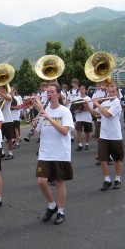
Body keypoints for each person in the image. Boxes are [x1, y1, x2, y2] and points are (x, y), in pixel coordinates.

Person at [33, 83, 74, 225]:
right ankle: (52, 206)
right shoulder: (43, 111)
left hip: (60, 152)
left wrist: (49, 118)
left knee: (59, 182)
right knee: (41, 181)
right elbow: (37, 131)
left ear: (58, 94)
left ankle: (61, 211)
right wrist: (35, 122)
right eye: (47, 92)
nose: (49, 94)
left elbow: (64, 131)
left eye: (51, 92)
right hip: (45, 151)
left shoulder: (64, 111)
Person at [91, 83, 124, 190]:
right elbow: (96, 114)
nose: (111, 93)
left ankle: (118, 179)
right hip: (104, 135)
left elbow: (107, 114)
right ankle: (107, 180)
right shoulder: (105, 102)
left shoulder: (117, 103)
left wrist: (98, 104)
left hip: (115, 135)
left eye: (113, 91)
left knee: (117, 159)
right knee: (102, 159)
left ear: (117, 92)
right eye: (109, 92)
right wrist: (88, 107)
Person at [0, 85, 15, 160]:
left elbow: (9, 98)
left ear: (4, 89)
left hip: (7, 120)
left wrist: (0, 94)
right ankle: (2, 152)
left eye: (0, 88)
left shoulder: (7, 95)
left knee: (9, 138)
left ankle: (11, 153)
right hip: (0, 121)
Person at [72, 85, 92, 151]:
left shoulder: (88, 98)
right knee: (79, 131)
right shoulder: (76, 98)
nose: (81, 90)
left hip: (87, 117)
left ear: (85, 90)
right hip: (79, 117)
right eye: (80, 89)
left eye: (82, 89)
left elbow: (90, 108)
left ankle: (87, 144)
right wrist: (78, 110)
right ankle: (80, 145)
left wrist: (83, 109)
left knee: (87, 131)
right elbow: (74, 109)